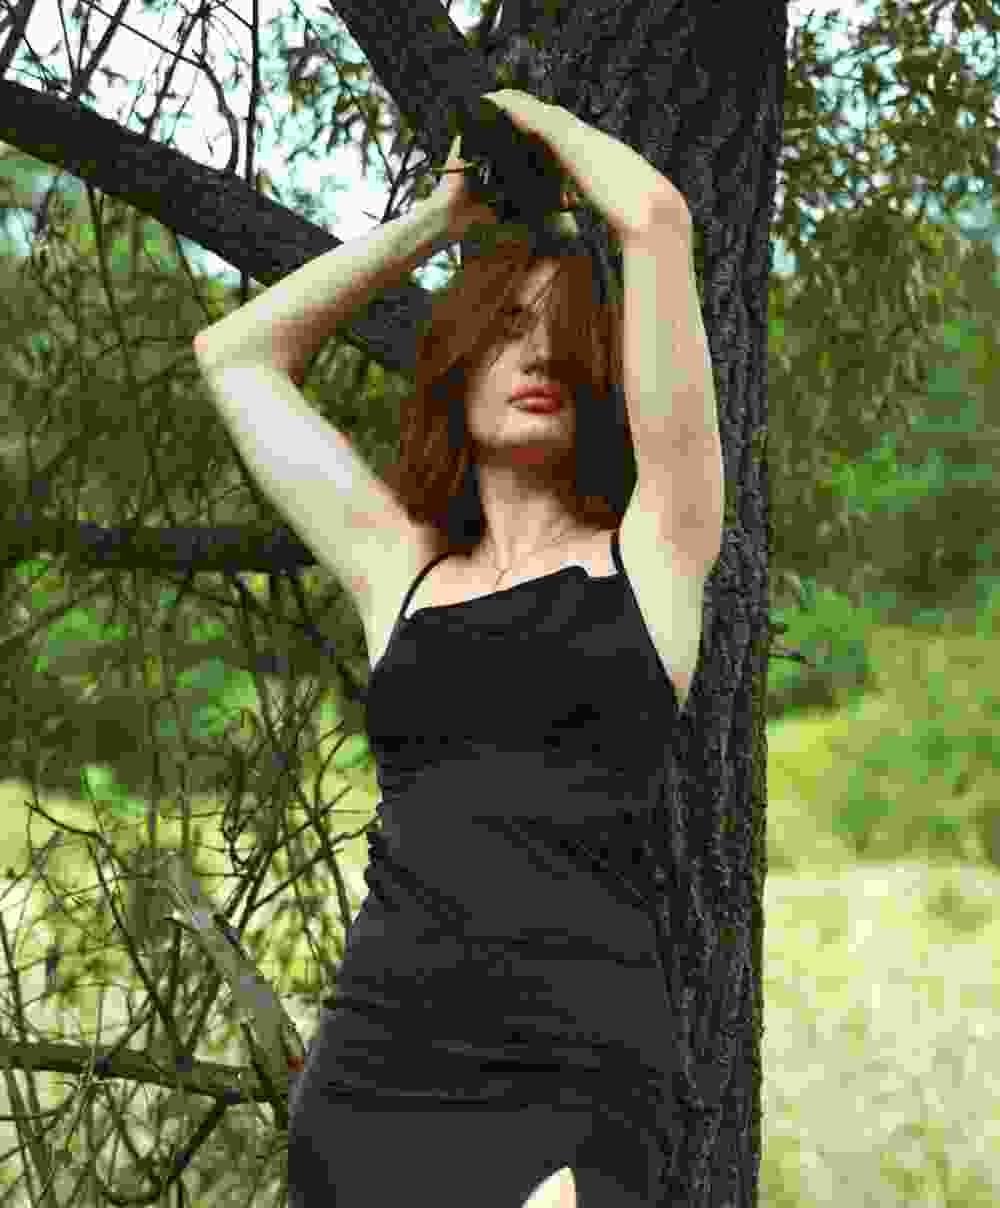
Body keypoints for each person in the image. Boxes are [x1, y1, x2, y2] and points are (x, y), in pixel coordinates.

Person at [195, 117, 681, 1208]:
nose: (542, 356)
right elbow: (236, 356)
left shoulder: (655, 553)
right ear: (456, 363)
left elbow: (656, 221)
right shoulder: (400, 573)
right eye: (508, 328)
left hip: (577, 1078)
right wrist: (441, 217)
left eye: (569, 337)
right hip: (378, 1066)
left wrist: (518, 112)